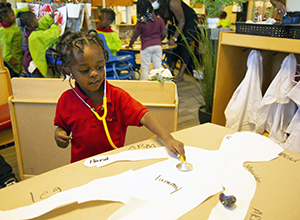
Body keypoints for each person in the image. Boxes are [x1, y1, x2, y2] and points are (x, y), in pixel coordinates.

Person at [53, 30, 185, 163]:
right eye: (84, 70)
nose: (94, 73)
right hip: (82, 167)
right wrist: (60, 135)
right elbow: (62, 128)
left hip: (114, 164)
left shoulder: (117, 96)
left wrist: (168, 139)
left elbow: (144, 116)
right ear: (68, 72)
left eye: (99, 67)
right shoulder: (66, 101)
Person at [150, 0, 198, 82]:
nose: (151, 2)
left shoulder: (173, 3)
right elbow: (162, 23)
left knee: (183, 44)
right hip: (177, 22)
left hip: (188, 21)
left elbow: (182, 21)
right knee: (173, 46)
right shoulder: (159, 8)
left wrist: (174, 37)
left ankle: (180, 74)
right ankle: (171, 71)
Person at [127, 0, 166, 80]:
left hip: (146, 46)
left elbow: (135, 36)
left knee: (145, 67)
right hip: (158, 46)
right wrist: (158, 40)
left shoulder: (141, 22)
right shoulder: (159, 20)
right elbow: (164, 34)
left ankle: (144, 85)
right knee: (157, 67)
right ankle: (159, 84)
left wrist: (130, 45)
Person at [17, 11, 60, 77]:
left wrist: (50, 17)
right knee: (37, 84)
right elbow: (52, 35)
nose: (38, 21)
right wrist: (55, 26)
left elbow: (41, 24)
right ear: (32, 24)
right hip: (35, 66)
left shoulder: (27, 30)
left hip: (27, 62)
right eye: (36, 19)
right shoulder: (35, 36)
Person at [0, 3, 29, 77]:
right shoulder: (5, 32)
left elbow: (16, 12)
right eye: (13, 16)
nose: (15, 17)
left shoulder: (10, 24)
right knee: (12, 80)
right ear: (5, 18)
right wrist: (10, 59)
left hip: (17, 57)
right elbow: (5, 49)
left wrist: (27, 8)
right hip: (12, 63)